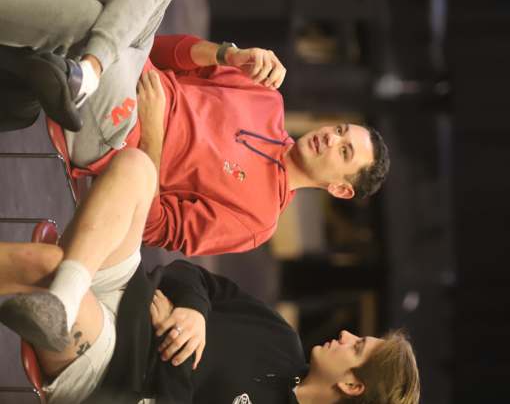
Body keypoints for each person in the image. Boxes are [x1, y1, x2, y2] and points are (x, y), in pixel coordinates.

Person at [1, 0, 390, 257]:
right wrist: (227, 55)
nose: (331, 137)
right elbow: (159, 51)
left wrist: (152, 134)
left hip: (119, 135)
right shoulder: (268, 98)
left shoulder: (257, 221)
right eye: (341, 131)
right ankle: (88, 67)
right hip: (133, 61)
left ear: (340, 188)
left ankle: (90, 65)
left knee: (90, 19)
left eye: (344, 151)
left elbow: (149, 226)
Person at [0, 149, 420, 403]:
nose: (346, 335)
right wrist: (193, 312)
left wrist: (171, 344)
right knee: (137, 168)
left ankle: (67, 289)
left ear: (352, 385)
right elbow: (192, 276)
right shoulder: (280, 337)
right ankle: (69, 291)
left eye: (358, 345)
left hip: (113, 372)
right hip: (131, 291)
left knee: (46, 268)